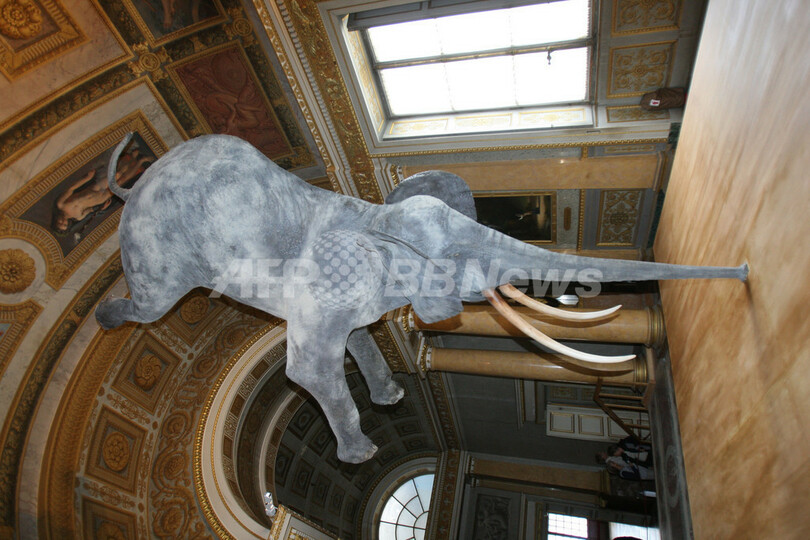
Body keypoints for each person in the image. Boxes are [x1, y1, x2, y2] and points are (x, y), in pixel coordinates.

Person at [51, 148, 152, 234]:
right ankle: (141, 161)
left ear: (56, 221)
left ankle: (133, 156)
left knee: (117, 174)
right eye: (64, 224)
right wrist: (102, 208)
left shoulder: (61, 205)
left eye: (60, 223)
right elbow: (91, 210)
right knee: (123, 179)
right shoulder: (78, 217)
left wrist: (86, 178)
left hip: (95, 188)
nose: (63, 222)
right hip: (101, 198)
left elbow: (71, 189)